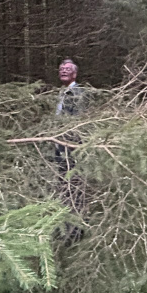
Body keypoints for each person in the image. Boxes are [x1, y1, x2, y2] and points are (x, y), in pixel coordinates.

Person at [53, 59, 85, 241]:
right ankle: (65, 228)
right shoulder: (63, 93)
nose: (63, 71)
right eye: (61, 69)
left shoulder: (77, 93)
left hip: (70, 149)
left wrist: (70, 143)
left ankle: (74, 231)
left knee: (72, 187)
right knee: (64, 186)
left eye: (67, 69)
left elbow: (77, 122)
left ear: (75, 74)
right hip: (60, 147)